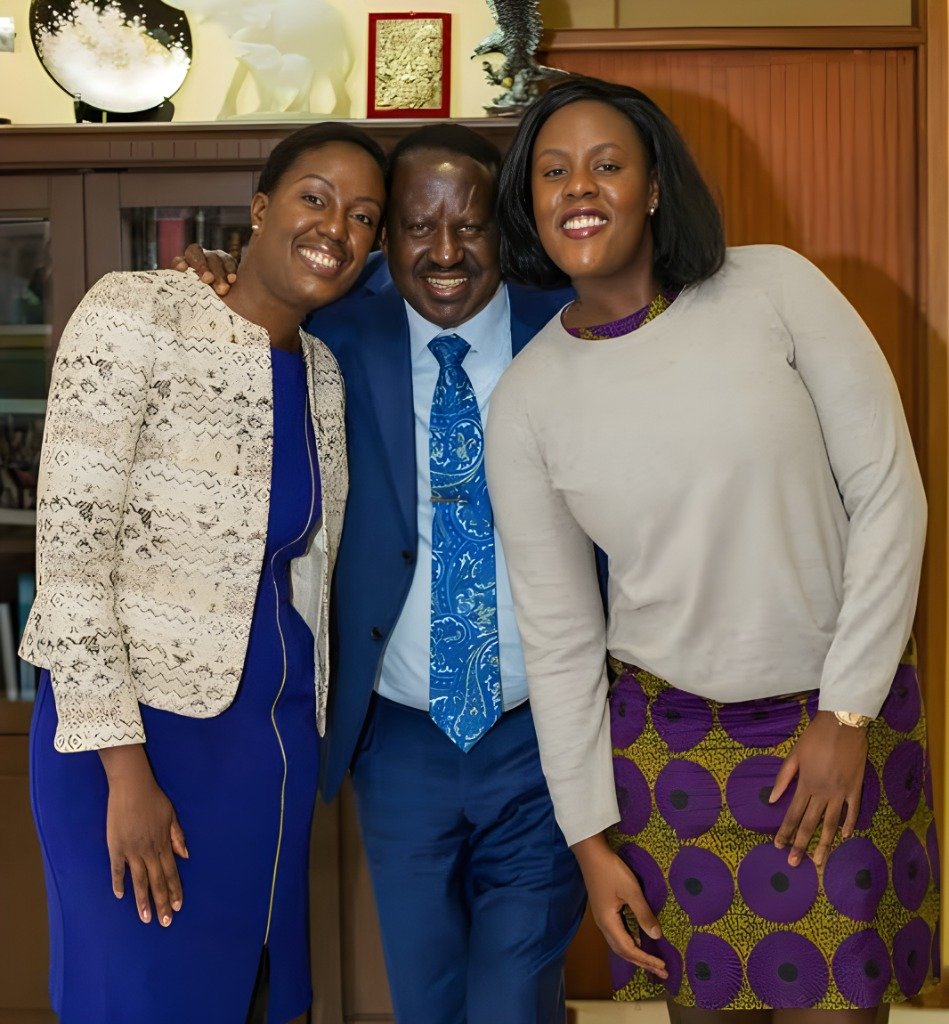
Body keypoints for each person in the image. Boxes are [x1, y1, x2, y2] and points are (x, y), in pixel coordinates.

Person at [486, 74, 938, 1021]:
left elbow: (888, 497)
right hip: (669, 751)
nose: (579, 187)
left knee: (839, 1004)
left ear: (653, 186)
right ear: (529, 203)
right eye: (552, 171)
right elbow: (560, 636)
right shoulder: (526, 399)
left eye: (606, 165)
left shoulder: (774, 288)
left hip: (833, 720)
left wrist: (846, 713)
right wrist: (589, 843)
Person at [178, 123, 588, 1024]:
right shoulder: (336, 327)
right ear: (384, 237)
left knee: (514, 997)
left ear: (505, 227)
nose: (443, 252)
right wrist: (215, 270)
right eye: (414, 226)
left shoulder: (570, 325)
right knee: (424, 993)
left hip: (544, 734)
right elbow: (259, 298)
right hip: (398, 738)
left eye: (470, 226)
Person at [21, 122, 386, 1024]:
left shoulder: (323, 371)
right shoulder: (136, 313)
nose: (336, 227)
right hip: (132, 739)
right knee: (137, 994)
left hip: (270, 740)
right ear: (260, 209)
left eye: (363, 216)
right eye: (313, 198)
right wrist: (125, 774)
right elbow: (70, 564)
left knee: (255, 993)